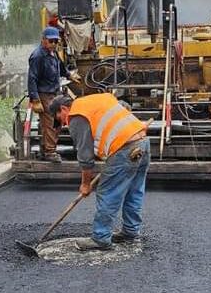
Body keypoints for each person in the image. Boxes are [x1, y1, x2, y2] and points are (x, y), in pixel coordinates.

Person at [49, 93, 151, 250]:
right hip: (142, 143)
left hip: (125, 148)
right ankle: (131, 231)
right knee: (133, 190)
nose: (63, 124)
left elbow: (85, 155)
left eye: (60, 119)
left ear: (64, 108)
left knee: (107, 192)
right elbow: (124, 109)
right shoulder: (98, 99)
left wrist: (85, 184)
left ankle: (101, 237)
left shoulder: (76, 115)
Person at [28, 26, 80, 162]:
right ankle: (50, 151)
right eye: (51, 41)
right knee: (49, 123)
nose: (54, 44)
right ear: (43, 40)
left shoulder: (53, 53)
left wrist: (69, 75)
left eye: (56, 41)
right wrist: (35, 99)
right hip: (44, 93)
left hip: (55, 92)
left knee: (57, 121)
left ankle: (46, 148)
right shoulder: (37, 56)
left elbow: (60, 67)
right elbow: (32, 78)